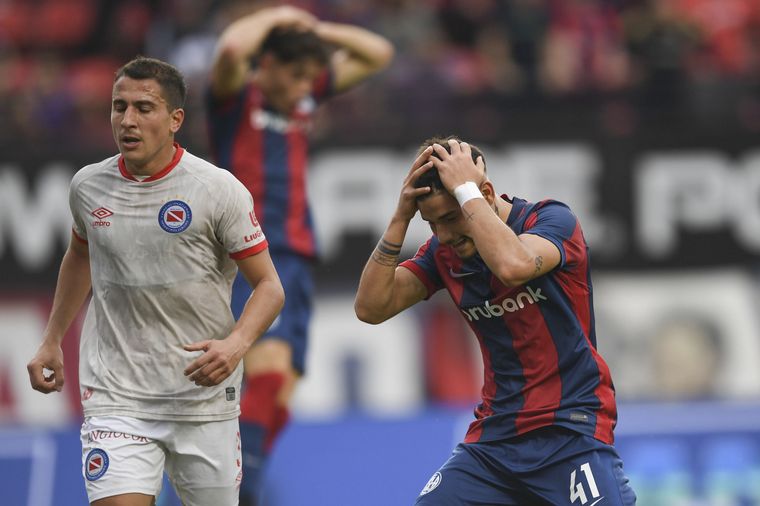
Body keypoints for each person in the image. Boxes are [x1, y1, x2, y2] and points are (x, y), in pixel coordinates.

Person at [26, 56, 284, 506]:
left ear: (175, 119)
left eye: (144, 108)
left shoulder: (217, 189)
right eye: (118, 106)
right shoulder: (88, 187)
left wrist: (236, 343)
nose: (127, 120)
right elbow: (80, 255)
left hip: (201, 399)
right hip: (117, 398)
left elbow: (270, 287)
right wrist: (51, 340)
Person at [355, 136, 637, 505]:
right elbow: (371, 308)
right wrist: (400, 217)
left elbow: (513, 266)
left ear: (485, 194)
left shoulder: (550, 220)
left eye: (451, 217)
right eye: (432, 223)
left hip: (570, 430)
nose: (443, 235)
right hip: (494, 443)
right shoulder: (443, 253)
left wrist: (467, 192)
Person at [206, 5, 393, 504]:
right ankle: (242, 489)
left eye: (310, 79)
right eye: (294, 76)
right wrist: (280, 16)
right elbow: (229, 49)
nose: (303, 88)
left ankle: (231, 476)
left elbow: (378, 53)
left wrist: (315, 29)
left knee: (282, 384)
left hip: (297, 252)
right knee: (268, 368)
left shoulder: (302, 99)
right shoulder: (234, 98)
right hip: (251, 250)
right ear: (265, 65)